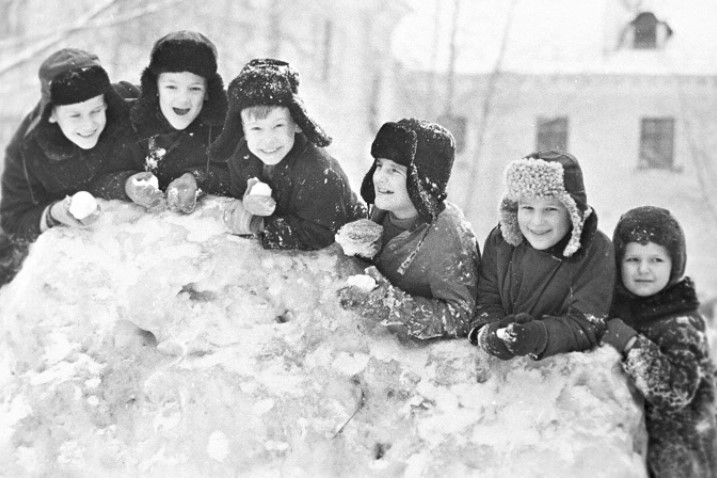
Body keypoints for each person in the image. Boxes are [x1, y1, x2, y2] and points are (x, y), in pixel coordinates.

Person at [0, 48, 139, 284]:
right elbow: (13, 221)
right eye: (75, 116)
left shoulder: (133, 104)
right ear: (52, 114)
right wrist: (53, 214)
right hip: (71, 260)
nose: (89, 125)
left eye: (96, 110)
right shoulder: (26, 149)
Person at [337, 118, 481, 341]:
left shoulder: (446, 234)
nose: (379, 177)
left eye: (394, 170)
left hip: (416, 360)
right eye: (379, 165)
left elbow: (460, 317)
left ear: (422, 181)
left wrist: (394, 306)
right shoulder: (384, 209)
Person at [602, 206, 716, 478]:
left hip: (683, 458)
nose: (644, 269)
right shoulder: (626, 310)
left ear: (675, 264)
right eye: (632, 260)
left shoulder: (682, 323)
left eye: (656, 260)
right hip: (641, 452)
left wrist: (632, 344)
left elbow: (674, 392)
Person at [469, 151, 613, 359]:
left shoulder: (594, 250)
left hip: (562, 377)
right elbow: (487, 300)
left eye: (550, 209)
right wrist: (490, 332)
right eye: (527, 208)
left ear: (572, 213)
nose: (537, 222)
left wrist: (540, 335)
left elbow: (588, 323)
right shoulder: (502, 242)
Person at [209, 58, 362, 250]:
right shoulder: (242, 155)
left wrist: (262, 225)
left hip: (342, 245)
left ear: (297, 123)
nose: (268, 139)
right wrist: (244, 203)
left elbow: (321, 232)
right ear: (243, 129)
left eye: (278, 125)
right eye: (256, 128)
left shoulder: (318, 171)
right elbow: (233, 188)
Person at [124, 30, 230, 213]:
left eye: (194, 88)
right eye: (172, 87)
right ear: (154, 87)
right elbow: (99, 171)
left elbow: (235, 175)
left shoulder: (225, 126)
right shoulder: (129, 118)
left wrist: (196, 178)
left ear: (208, 92)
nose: (183, 99)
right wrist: (126, 184)